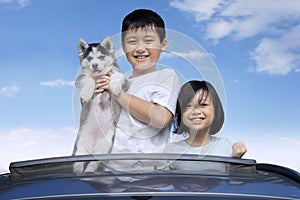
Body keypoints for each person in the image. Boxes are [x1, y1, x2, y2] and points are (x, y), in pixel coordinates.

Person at [95, 9, 180, 170]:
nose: (140, 48)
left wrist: (117, 92)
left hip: (152, 176)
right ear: (123, 47)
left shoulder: (166, 75)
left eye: (148, 41)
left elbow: (160, 118)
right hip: (111, 173)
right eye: (132, 41)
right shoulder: (118, 81)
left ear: (163, 45)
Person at [165, 80, 247, 170]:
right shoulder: (171, 151)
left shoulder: (227, 148)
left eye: (203, 105)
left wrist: (236, 160)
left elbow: (234, 182)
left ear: (215, 109)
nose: (196, 111)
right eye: (188, 106)